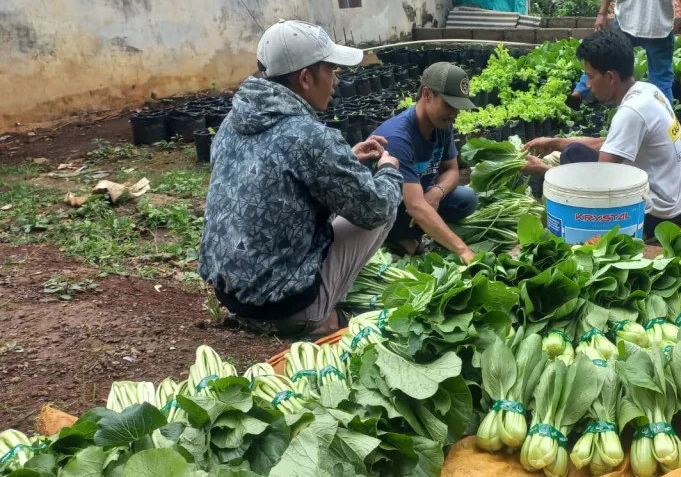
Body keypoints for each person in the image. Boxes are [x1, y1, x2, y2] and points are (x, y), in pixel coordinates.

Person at [199, 20, 403, 336]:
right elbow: (374, 207)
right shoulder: (310, 137)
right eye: (331, 70)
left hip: (232, 296)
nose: (336, 80)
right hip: (283, 307)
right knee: (383, 208)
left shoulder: (231, 122)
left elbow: (278, 173)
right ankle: (317, 319)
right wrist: (389, 169)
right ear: (305, 78)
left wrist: (346, 156)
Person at [524, 29, 681, 239]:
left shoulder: (631, 113)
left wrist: (545, 171)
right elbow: (611, 143)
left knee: (573, 160)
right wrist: (554, 143)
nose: (588, 85)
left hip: (654, 210)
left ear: (611, 77)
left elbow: (600, 184)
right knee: (573, 151)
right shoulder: (648, 91)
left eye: (591, 77)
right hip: (671, 195)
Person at [373, 63, 479, 264]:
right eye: (449, 105)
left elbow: (452, 171)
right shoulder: (397, 138)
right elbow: (415, 206)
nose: (454, 114)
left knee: (467, 199)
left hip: (416, 196)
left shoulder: (441, 124)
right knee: (416, 210)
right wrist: (463, 250)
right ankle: (396, 239)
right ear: (427, 94)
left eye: (458, 107)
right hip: (387, 209)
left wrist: (436, 193)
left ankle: (415, 232)